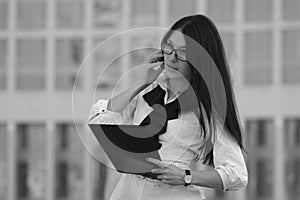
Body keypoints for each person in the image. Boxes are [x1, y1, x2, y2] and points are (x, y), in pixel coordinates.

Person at [88, 14, 248, 200]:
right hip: (128, 192)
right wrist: (140, 82)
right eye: (168, 48)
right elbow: (99, 119)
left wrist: (186, 176)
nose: (171, 58)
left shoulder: (208, 107)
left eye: (181, 53)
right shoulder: (149, 90)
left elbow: (237, 174)